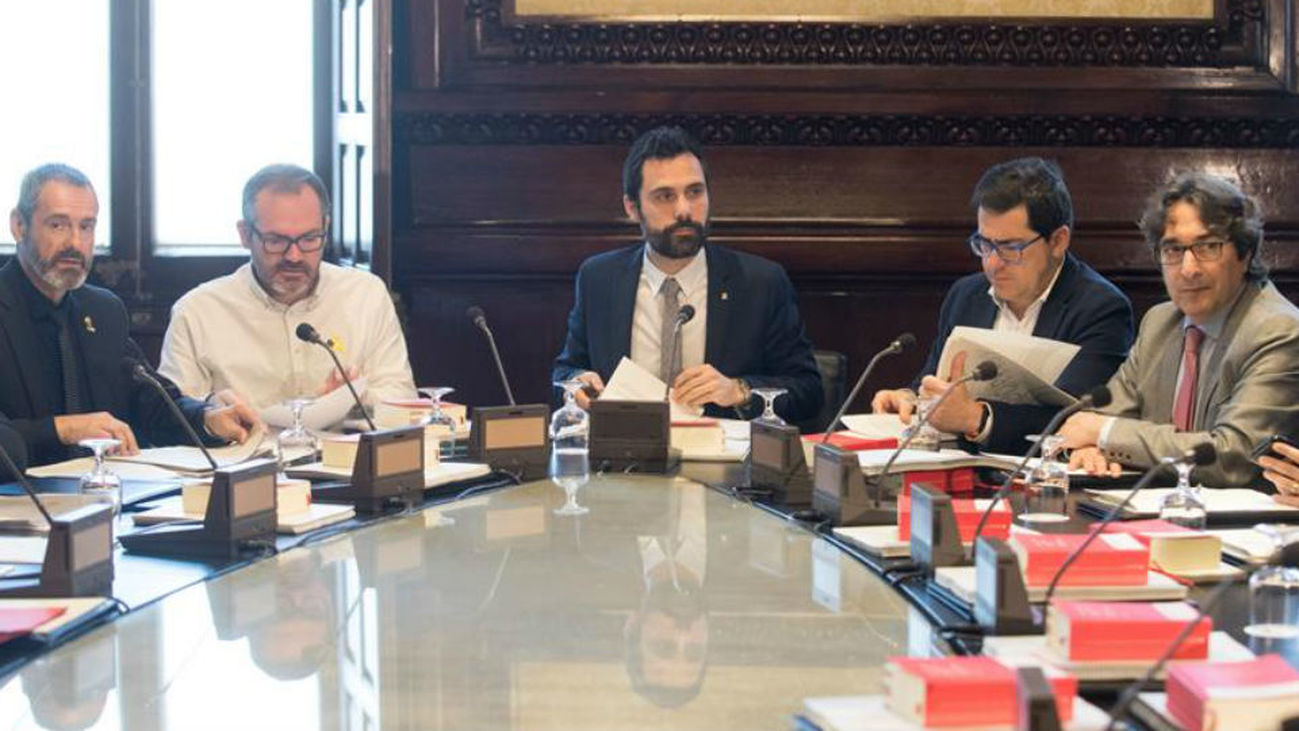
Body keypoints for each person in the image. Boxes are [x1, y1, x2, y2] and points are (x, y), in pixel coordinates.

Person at [552, 127, 823, 423]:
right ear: (632, 208)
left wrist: (739, 391)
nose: (684, 210)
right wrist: (577, 385)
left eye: (695, 192)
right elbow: (565, 372)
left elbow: (809, 393)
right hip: (625, 447)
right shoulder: (599, 279)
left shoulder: (760, 283)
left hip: (723, 450)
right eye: (664, 196)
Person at [0, 164, 256, 470]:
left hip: (105, 489)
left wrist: (207, 419)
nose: (75, 243)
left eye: (86, 227)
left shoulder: (102, 310)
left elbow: (151, 403)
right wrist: (63, 429)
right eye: (58, 225)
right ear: (19, 225)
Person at [871, 158, 1134, 454]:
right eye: (985, 245)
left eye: (1011, 248)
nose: (993, 263)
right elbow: (934, 379)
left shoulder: (1100, 308)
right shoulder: (966, 295)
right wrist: (909, 399)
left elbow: (1078, 421)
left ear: (1058, 241)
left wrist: (977, 418)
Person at [1061, 173, 1299, 487]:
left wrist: (1105, 435)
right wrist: (1092, 447)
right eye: (1173, 250)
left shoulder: (1279, 331)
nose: (1188, 269)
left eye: (1208, 247)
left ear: (1245, 253)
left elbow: (1232, 457)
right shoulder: (1160, 323)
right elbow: (1098, 419)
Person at [159, 164, 416, 414]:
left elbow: (402, 397)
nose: (294, 256)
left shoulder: (365, 295)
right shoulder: (197, 311)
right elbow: (173, 415)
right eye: (276, 241)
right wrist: (212, 411)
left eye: (309, 239)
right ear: (245, 235)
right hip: (246, 444)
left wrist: (354, 401)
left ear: (326, 229)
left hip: (345, 443)